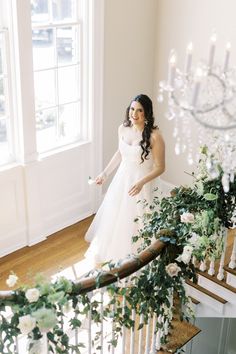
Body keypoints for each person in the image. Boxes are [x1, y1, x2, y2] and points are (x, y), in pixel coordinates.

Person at [85, 94, 165, 264]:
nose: (134, 114)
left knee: (137, 221)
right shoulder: (122, 128)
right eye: (132, 109)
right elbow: (120, 153)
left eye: (139, 110)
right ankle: (113, 258)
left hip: (142, 183)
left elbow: (160, 167)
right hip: (122, 180)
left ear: (147, 113)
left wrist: (142, 182)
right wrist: (104, 174)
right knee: (116, 217)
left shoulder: (155, 136)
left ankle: (138, 261)